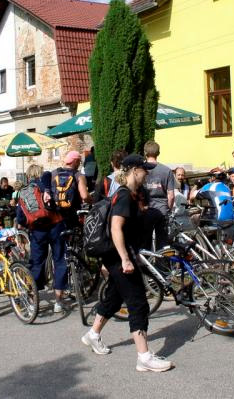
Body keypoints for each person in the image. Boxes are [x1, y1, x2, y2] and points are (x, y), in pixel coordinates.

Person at [81, 154, 173, 373]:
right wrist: (124, 259)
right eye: (144, 170)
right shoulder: (124, 196)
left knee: (114, 296)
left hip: (119, 255)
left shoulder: (129, 195)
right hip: (119, 256)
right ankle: (144, 357)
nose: (147, 173)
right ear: (133, 171)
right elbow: (115, 228)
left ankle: (92, 334)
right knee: (138, 302)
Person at [16, 165, 67, 313]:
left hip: (37, 230)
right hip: (55, 226)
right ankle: (58, 301)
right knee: (60, 261)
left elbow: (20, 217)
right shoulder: (48, 185)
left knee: (37, 263)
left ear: (28, 176)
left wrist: (30, 222)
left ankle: (32, 300)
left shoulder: (24, 192)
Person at [142, 141, 175, 249]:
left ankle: (146, 264)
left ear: (145, 153)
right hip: (162, 209)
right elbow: (171, 196)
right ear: (158, 153)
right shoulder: (167, 170)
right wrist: (168, 209)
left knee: (145, 241)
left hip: (145, 209)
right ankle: (162, 265)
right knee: (163, 243)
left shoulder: (140, 169)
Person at [46, 150, 92, 228]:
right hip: (72, 212)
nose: (79, 164)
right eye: (79, 162)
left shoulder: (54, 173)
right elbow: (84, 196)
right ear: (75, 161)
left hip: (56, 213)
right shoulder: (78, 175)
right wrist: (92, 201)